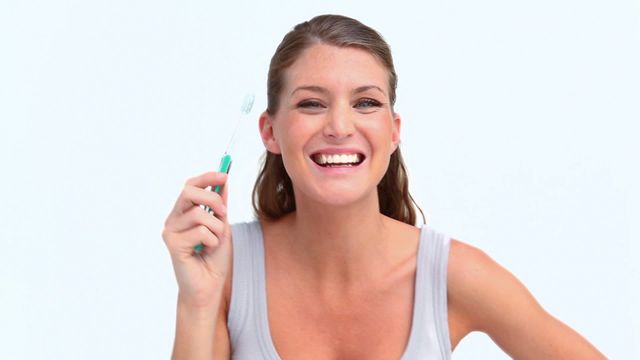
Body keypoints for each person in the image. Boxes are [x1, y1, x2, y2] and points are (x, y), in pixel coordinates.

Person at [162, 14, 606, 359]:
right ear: (270, 131)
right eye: (312, 103)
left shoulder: (452, 275)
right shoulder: (226, 267)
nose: (339, 126)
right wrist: (197, 302)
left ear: (393, 132)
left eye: (366, 103)